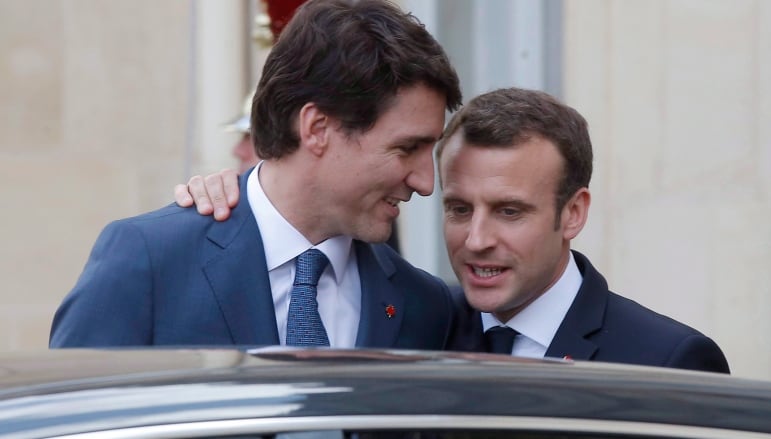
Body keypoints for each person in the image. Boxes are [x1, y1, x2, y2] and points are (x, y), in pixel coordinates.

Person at [179, 88, 730, 373]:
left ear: (573, 213)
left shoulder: (666, 359)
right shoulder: (417, 322)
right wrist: (239, 196)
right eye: (459, 208)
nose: (476, 239)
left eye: (510, 211)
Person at [50, 0, 479, 351]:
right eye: (407, 148)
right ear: (317, 129)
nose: (426, 182)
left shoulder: (424, 306)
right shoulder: (150, 262)